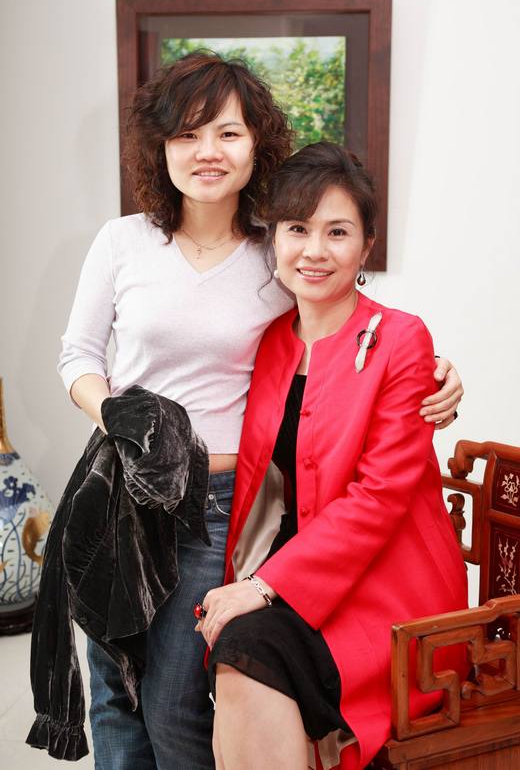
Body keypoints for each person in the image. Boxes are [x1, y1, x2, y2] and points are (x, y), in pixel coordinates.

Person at [58, 53, 462, 769]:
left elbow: (345, 331)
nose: (206, 152)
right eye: (186, 135)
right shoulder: (124, 241)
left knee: (176, 700)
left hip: (216, 504)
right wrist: (118, 417)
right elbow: (79, 356)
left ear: (256, 146)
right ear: (160, 148)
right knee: (114, 691)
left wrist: (436, 374)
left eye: (227, 133)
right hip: (123, 489)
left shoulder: (270, 254)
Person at [202, 142, 469, 770]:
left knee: (248, 649)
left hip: (390, 592)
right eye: (297, 229)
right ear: (274, 238)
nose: (314, 251)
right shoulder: (270, 341)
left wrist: (262, 586)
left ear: (366, 245)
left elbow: (379, 497)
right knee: (237, 650)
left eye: (338, 232)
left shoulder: (402, 338)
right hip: (298, 579)